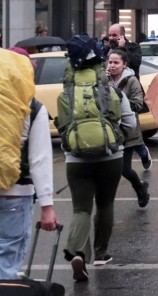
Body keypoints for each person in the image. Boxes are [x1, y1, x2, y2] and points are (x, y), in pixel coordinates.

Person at [57, 35, 136, 282]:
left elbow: (63, 129)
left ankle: (77, 251)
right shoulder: (111, 90)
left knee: (81, 209)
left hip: (76, 160)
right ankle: (101, 253)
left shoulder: (65, 95)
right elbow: (131, 124)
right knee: (105, 205)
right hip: (110, 158)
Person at [0, 47, 57, 280]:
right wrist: (47, 205)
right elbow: (40, 159)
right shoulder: (33, 109)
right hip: (16, 193)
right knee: (7, 259)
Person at [105, 49, 151, 208]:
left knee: (124, 170)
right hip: (109, 132)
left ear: (124, 65)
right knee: (108, 169)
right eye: (110, 62)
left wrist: (119, 102)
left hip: (128, 133)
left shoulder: (132, 81)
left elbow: (138, 104)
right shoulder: (104, 80)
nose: (112, 66)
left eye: (116, 62)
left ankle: (140, 187)